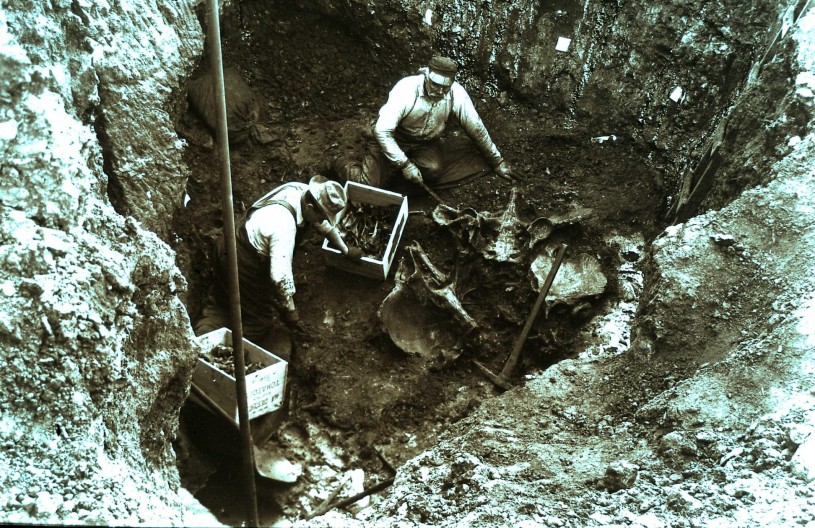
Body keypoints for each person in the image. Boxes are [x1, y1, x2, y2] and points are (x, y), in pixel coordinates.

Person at [195, 175, 362, 353]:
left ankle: (207, 325)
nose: (322, 221)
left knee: (224, 299)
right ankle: (218, 351)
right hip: (241, 261)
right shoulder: (284, 225)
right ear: (311, 207)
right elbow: (280, 277)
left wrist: (345, 249)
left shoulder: (299, 191)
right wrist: (290, 312)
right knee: (259, 322)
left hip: (230, 242)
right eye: (322, 216)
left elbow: (323, 225)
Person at [335, 55, 520, 191]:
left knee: (432, 172)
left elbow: (476, 129)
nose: (439, 91)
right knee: (366, 187)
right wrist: (406, 165)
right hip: (393, 137)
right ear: (426, 75)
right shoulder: (406, 89)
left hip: (425, 143)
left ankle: (392, 174)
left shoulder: (456, 94)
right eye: (434, 84)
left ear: (452, 83)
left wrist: (497, 162)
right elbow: (382, 131)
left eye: (444, 87)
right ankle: (339, 163)